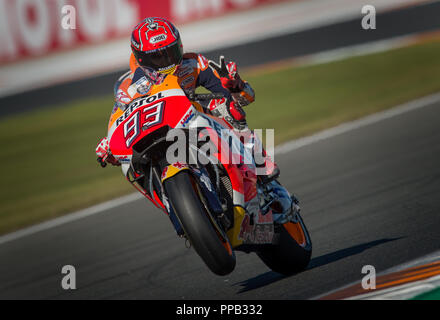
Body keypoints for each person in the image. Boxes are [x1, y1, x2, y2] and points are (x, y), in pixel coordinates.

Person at [96, 17, 279, 182]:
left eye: (171, 51)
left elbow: (247, 98)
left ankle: (259, 162)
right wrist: (109, 144)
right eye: (158, 57)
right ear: (141, 58)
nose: (168, 60)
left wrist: (235, 85)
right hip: (160, 132)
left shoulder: (193, 64)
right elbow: (118, 118)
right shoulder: (128, 86)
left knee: (226, 107)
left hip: (194, 121)